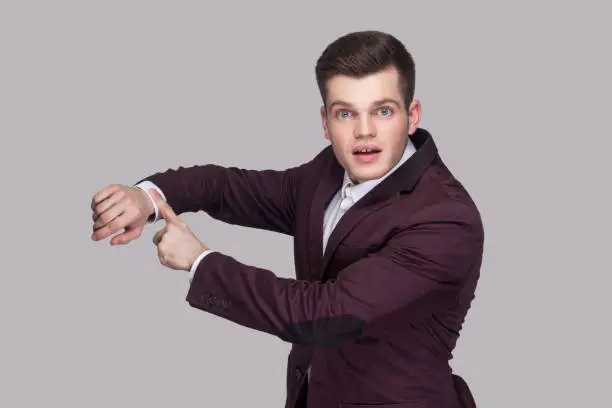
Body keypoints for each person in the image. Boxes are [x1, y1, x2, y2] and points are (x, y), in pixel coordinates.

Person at [90, 30, 484, 408]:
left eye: (383, 111)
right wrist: (147, 197)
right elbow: (230, 188)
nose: (365, 132)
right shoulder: (326, 173)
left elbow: (324, 315)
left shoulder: (445, 220)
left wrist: (199, 262)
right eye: (346, 113)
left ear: (412, 115)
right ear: (325, 123)